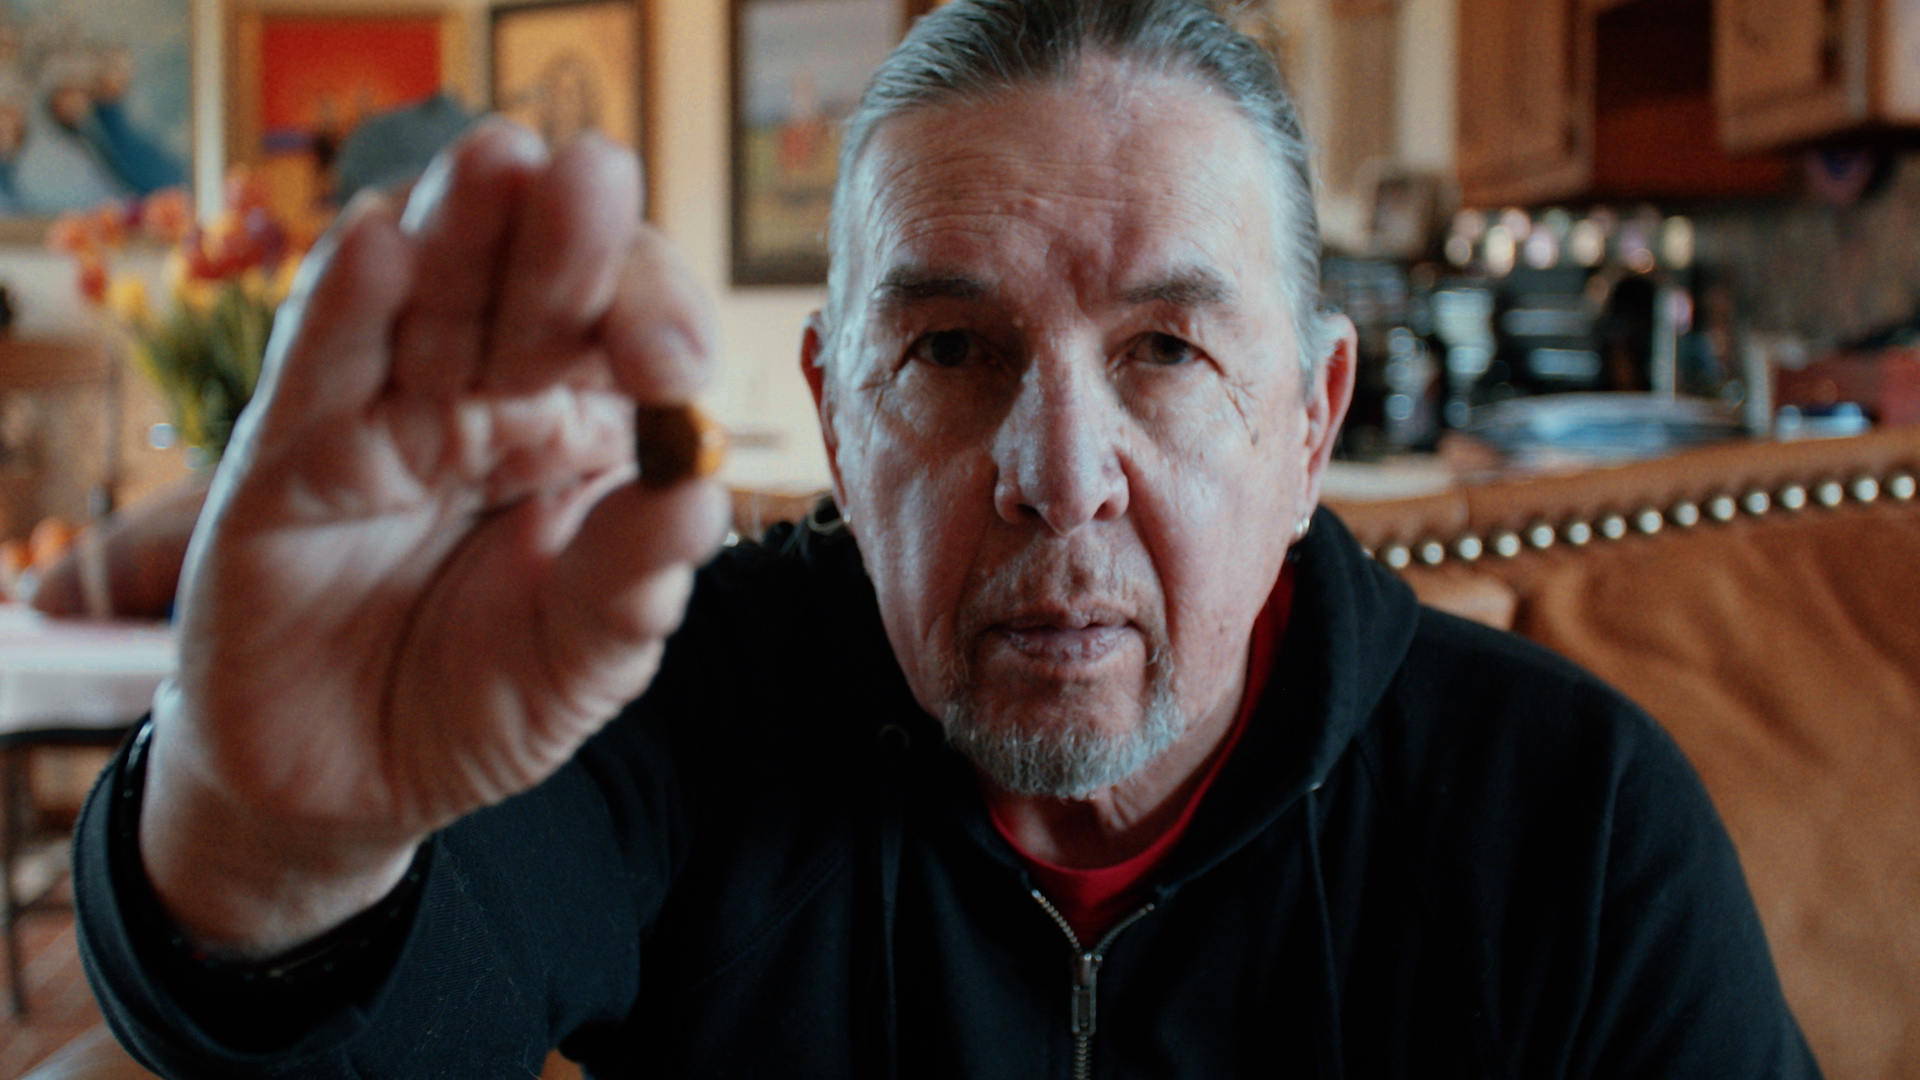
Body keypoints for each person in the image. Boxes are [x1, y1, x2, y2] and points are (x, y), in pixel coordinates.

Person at [76, 1, 1819, 1077]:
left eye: (1166, 351)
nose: (1059, 475)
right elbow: (383, 1015)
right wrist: (270, 841)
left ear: (1311, 425)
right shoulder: (678, 702)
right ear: (838, 420)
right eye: (953, 353)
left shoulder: (1575, 825)